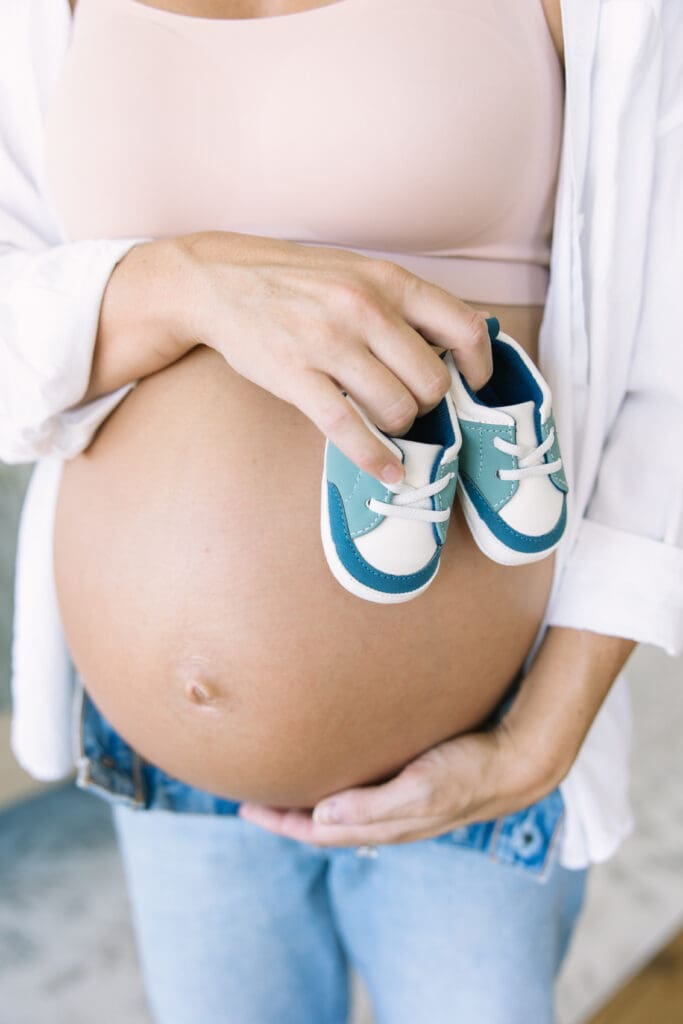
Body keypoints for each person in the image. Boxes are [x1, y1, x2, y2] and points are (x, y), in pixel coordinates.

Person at [1, 0, 681, 1022]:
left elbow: (670, 366)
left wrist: (542, 739)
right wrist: (179, 285)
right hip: (155, 764)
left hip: (476, 753)